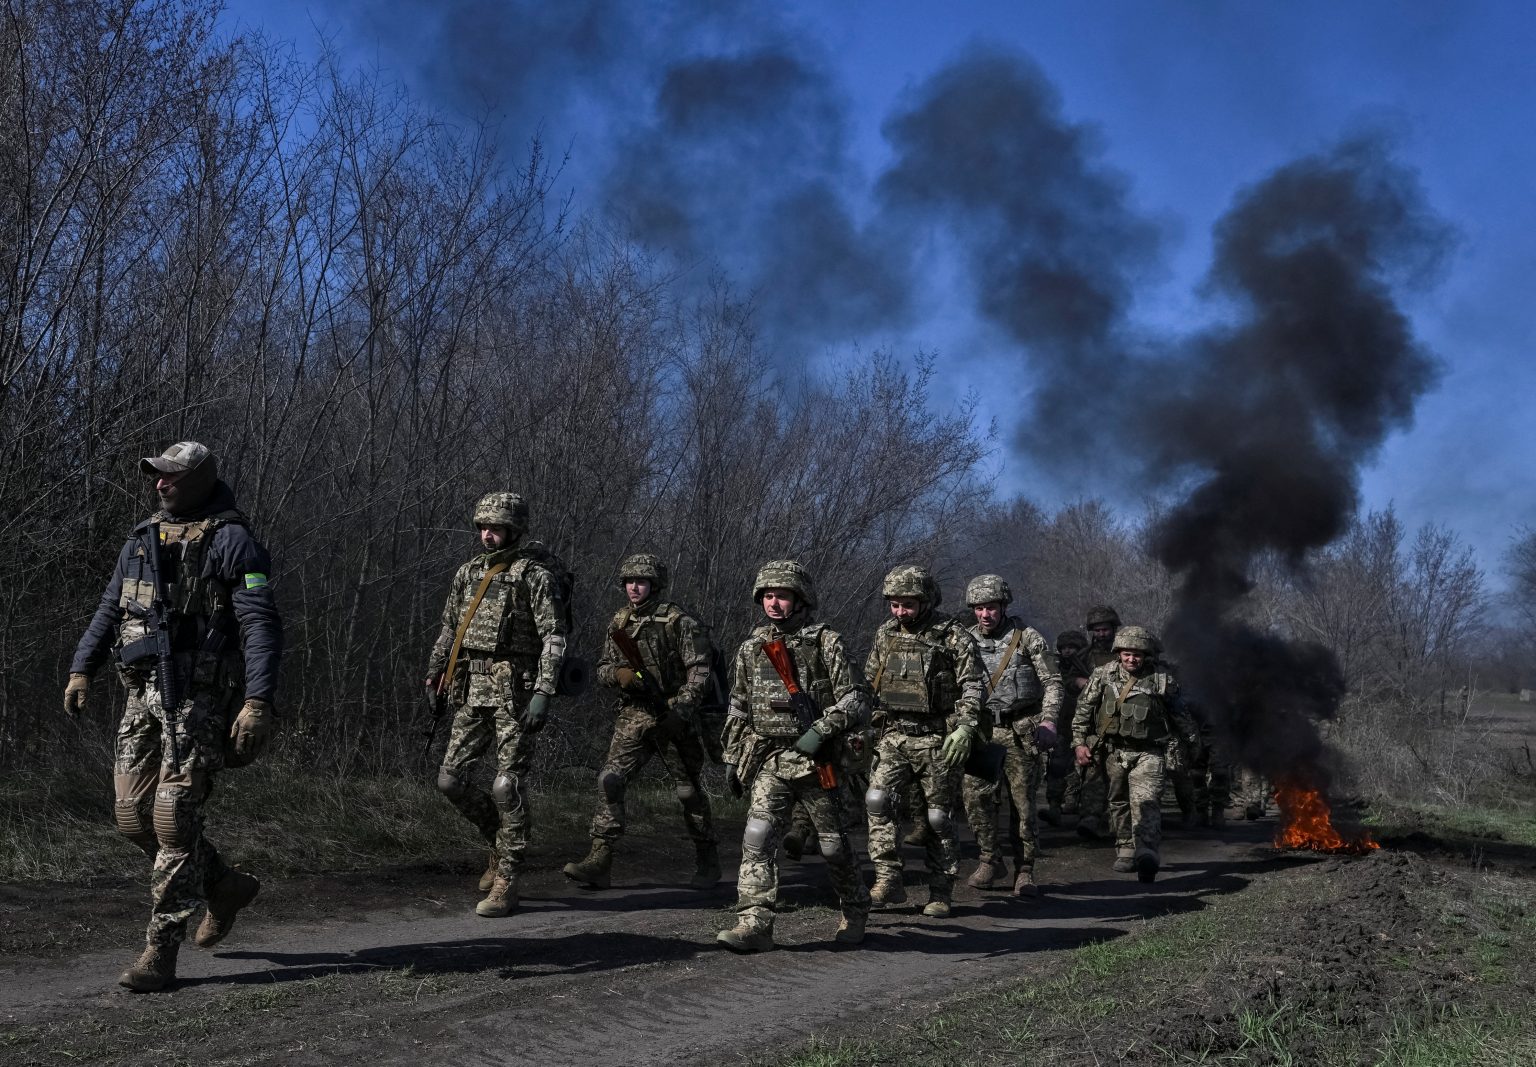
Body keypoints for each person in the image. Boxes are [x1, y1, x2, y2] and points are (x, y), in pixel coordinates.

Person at [65, 442, 282, 991]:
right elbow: (111, 606)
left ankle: (160, 952)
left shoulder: (233, 540)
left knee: (171, 819)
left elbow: (259, 624)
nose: (160, 484)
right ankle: (223, 884)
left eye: (172, 477)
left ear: (202, 479)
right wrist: (81, 668)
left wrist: (257, 702)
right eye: (156, 476)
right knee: (131, 818)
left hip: (201, 699)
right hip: (143, 694)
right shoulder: (141, 538)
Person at [425, 492, 568, 918]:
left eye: (497, 528)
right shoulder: (467, 573)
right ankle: (497, 842)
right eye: (483, 527)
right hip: (471, 687)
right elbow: (449, 628)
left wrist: (544, 691)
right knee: (450, 780)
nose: (488, 534)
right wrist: (435, 674)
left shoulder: (534, 576)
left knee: (507, 786)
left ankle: (507, 878)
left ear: (514, 530)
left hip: (516, 692)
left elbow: (554, 638)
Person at [717, 560, 870, 952]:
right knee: (758, 834)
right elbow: (738, 706)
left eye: (781, 595)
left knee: (833, 845)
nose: (773, 603)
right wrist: (733, 756)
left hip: (819, 762)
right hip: (770, 756)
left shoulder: (826, 642)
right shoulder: (751, 648)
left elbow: (857, 699)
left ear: (801, 600)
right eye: (767, 596)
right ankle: (754, 922)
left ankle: (854, 908)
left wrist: (823, 728)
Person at [564, 553, 719, 890]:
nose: (634, 587)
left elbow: (700, 672)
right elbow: (603, 667)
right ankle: (600, 858)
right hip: (635, 713)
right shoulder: (619, 622)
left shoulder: (679, 622)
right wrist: (619, 675)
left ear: (655, 585)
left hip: (675, 713)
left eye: (642, 581)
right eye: (630, 581)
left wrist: (681, 711)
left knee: (688, 791)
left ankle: (707, 858)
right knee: (610, 779)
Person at [864, 565, 985, 917]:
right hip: (895, 735)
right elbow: (871, 682)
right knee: (877, 800)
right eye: (895, 604)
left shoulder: (952, 635)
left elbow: (972, 684)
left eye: (908, 604)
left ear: (926, 601)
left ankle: (941, 890)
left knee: (937, 818)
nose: (901, 612)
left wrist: (965, 727)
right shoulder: (885, 633)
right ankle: (887, 880)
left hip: (938, 738)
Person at [959, 575, 1064, 898]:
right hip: (983, 732)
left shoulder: (1028, 638)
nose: (984, 614)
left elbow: (1053, 682)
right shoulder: (964, 640)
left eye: (990, 607)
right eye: (978, 608)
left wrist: (1049, 721)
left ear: (1003, 606)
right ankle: (990, 858)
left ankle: (1025, 869)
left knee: (1023, 804)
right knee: (975, 798)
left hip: (1021, 731)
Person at [1071, 625, 1200, 882]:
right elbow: (1083, 711)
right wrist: (1079, 744)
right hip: (1113, 752)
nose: (1132, 659)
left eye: (1138, 655)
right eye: (1127, 654)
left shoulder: (1162, 681)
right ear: (1118, 653)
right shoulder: (1102, 675)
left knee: (1146, 801)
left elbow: (1181, 715)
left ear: (1147, 656)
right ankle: (1125, 848)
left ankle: (1146, 850)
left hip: (1150, 752)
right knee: (1118, 802)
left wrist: (1193, 742)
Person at [1067, 605, 1121, 838]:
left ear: (1113, 629)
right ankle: (1090, 816)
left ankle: (1116, 820)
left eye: (1105, 629)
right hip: (1093, 719)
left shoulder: (1124, 651)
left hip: (1122, 717)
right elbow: (1065, 680)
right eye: (1097, 630)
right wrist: (1078, 682)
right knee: (1092, 769)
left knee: (1120, 773)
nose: (1101, 634)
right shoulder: (1083, 657)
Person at [1043, 629, 1090, 826]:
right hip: (1062, 725)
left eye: (1072, 648)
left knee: (1089, 771)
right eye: (1064, 648)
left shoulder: (1091, 668)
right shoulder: (1055, 669)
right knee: (1057, 767)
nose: (1068, 652)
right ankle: (1054, 806)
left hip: (1088, 726)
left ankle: (1087, 812)